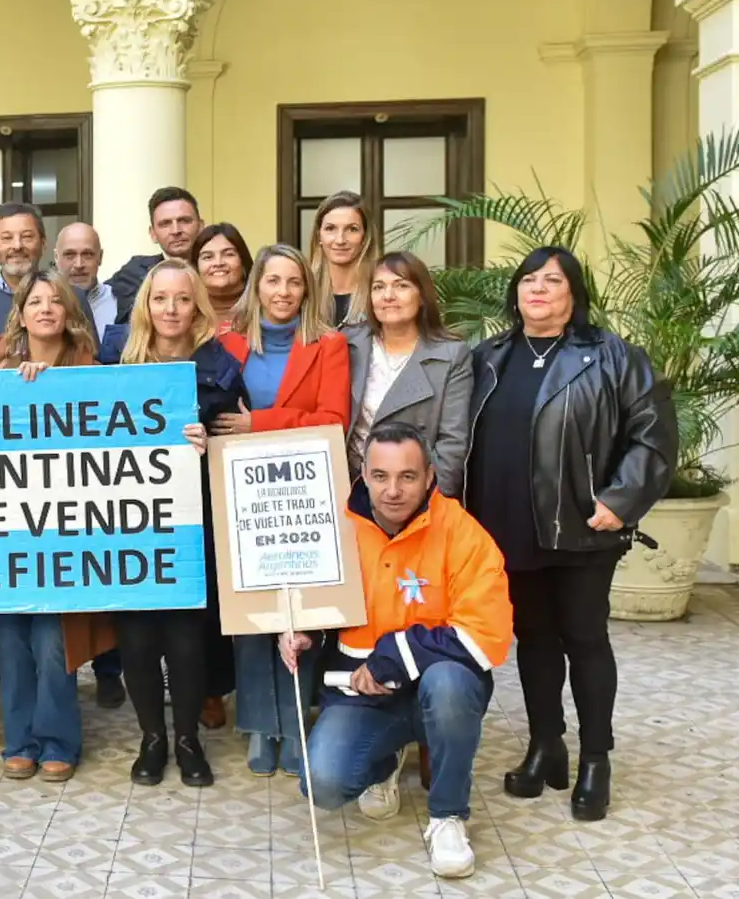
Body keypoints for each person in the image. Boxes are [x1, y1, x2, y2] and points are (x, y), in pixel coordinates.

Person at [465, 247, 675, 822]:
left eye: (551, 281)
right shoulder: (490, 357)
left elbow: (654, 434)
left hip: (584, 527)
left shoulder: (613, 356)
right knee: (532, 638)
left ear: (573, 294)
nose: (537, 290)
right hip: (507, 524)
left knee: (583, 637)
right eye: (528, 280)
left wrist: (621, 500)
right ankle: (546, 747)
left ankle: (595, 760)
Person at [288, 422, 513, 880]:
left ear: (430, 476)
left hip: (439, 687)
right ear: (364, 474)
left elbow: (487, 634)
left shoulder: (463, 533)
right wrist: (300, 628)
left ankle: (448, 816)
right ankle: (384, 762)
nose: (393, 490)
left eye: (407, 476)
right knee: (324, 784)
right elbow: (313, 598)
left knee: (448, 684)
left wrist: (396, 653)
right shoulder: (333, 523)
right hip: (362, 693)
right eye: (381, 476)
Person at [100, 259, 244, 787]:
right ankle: (151, 737)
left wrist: (213, 447)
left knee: (186, 638)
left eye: (182, 299)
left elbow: (235, 443)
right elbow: (77, 417)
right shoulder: (114, 356)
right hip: (127, 519)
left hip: (191, 519)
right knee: (136, 638)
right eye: (161, 298)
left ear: (197, 305)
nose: (171, 309)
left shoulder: (221, 366)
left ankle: (187, 739)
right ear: (146, 304)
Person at [219, 242, 350, 776]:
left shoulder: (330, 345)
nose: (283, 292)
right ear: (258, 287)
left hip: (306, 490)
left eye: (294, 282)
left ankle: (296, 724)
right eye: (273, 281)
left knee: (304, 609)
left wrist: (262, 422)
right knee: (251, 610)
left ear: (307, 289)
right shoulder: (227, 343)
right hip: (242, 491)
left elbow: (333, 420)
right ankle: (259, 727)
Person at [0, 270, 110, 782]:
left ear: (70, 311)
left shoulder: (89, 367)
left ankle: (58, 739)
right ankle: (21, 739)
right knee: (9, 638)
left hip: (67, 530)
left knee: (54, 640)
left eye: (57, 300)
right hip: (7, 526)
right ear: (21, 311)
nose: (47, 309)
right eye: (36, 301)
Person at [51, 222, 124, 707]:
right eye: (70, 254)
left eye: (88, 255)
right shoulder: (46, 304)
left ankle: (109, 669)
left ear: (101, 257)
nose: (79, 263)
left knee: (106, 567)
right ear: (57, 257)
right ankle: (66, 670)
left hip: (110, 455)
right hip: (54, 462)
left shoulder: (123, 304)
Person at [345, 252, 472, 496]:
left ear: (422, 295)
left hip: (414, 496)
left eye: (401, 285)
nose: (388, 296)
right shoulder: (348, 344)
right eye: (378, 287)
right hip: (351, 490)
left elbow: (452, 444)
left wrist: (428, 504)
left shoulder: (452, 355)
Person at [0, 201, 97, 372]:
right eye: (7, 238)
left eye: (27, 236)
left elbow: (95, 364)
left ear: (43, 243)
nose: (17, 246)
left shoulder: (72, 296)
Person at [107, 187, 203, 324]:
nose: (176, 231)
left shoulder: (216, 269)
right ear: (153, 234)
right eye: (165, 224)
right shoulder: (133, 272)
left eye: (184, 221)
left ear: (201, 226)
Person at [306, 191, 379, 328]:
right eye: (330, 228)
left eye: (352, 229)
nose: (340, 240)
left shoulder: (380, 293)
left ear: (365, 237)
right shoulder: (303, 292)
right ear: (318, 236)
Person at [191, 222, 253, 330]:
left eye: (228, 254)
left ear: (243, 261)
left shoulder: (264, 310)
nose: (218, 263)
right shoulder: (186, 313)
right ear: (196, 267)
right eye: (208, 257)